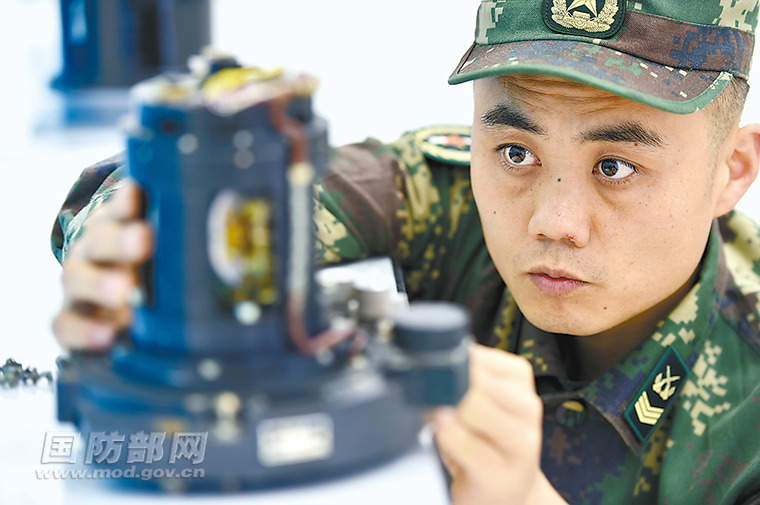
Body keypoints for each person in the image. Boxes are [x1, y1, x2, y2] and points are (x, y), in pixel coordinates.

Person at [51, 0, 760, 503]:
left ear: (731, 170)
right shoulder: (442, 198)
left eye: (614, 167)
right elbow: (184, 192)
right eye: (516, 152)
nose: (553, 221)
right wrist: (145, 261)